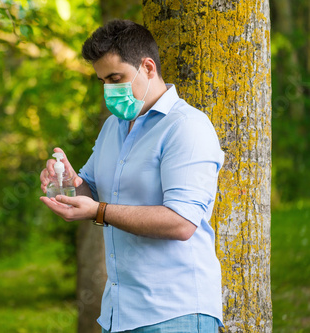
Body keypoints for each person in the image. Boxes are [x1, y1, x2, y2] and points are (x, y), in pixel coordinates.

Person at [40, 19, 224, 333]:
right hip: (121, 313)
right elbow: (92, 193)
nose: (109, 90)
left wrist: (99, 212)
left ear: (148, 67)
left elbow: (182, 222)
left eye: (115, 78)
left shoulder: (186, 127)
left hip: (174, 313)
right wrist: (73, 183)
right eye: (102, 81)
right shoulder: (113, 126)